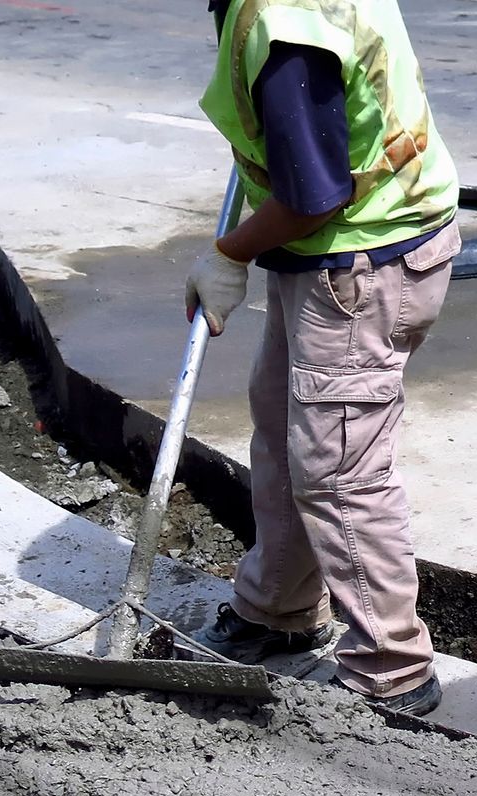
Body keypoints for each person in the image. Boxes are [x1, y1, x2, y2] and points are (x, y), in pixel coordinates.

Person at [185, 0, 461, 718]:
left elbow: (312, 193)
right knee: (284, 433)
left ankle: (391, 670)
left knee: (338, 474)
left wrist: (228, 252)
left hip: (359, 267)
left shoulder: (286, 30)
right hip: (329, 256)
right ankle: (275, 609)